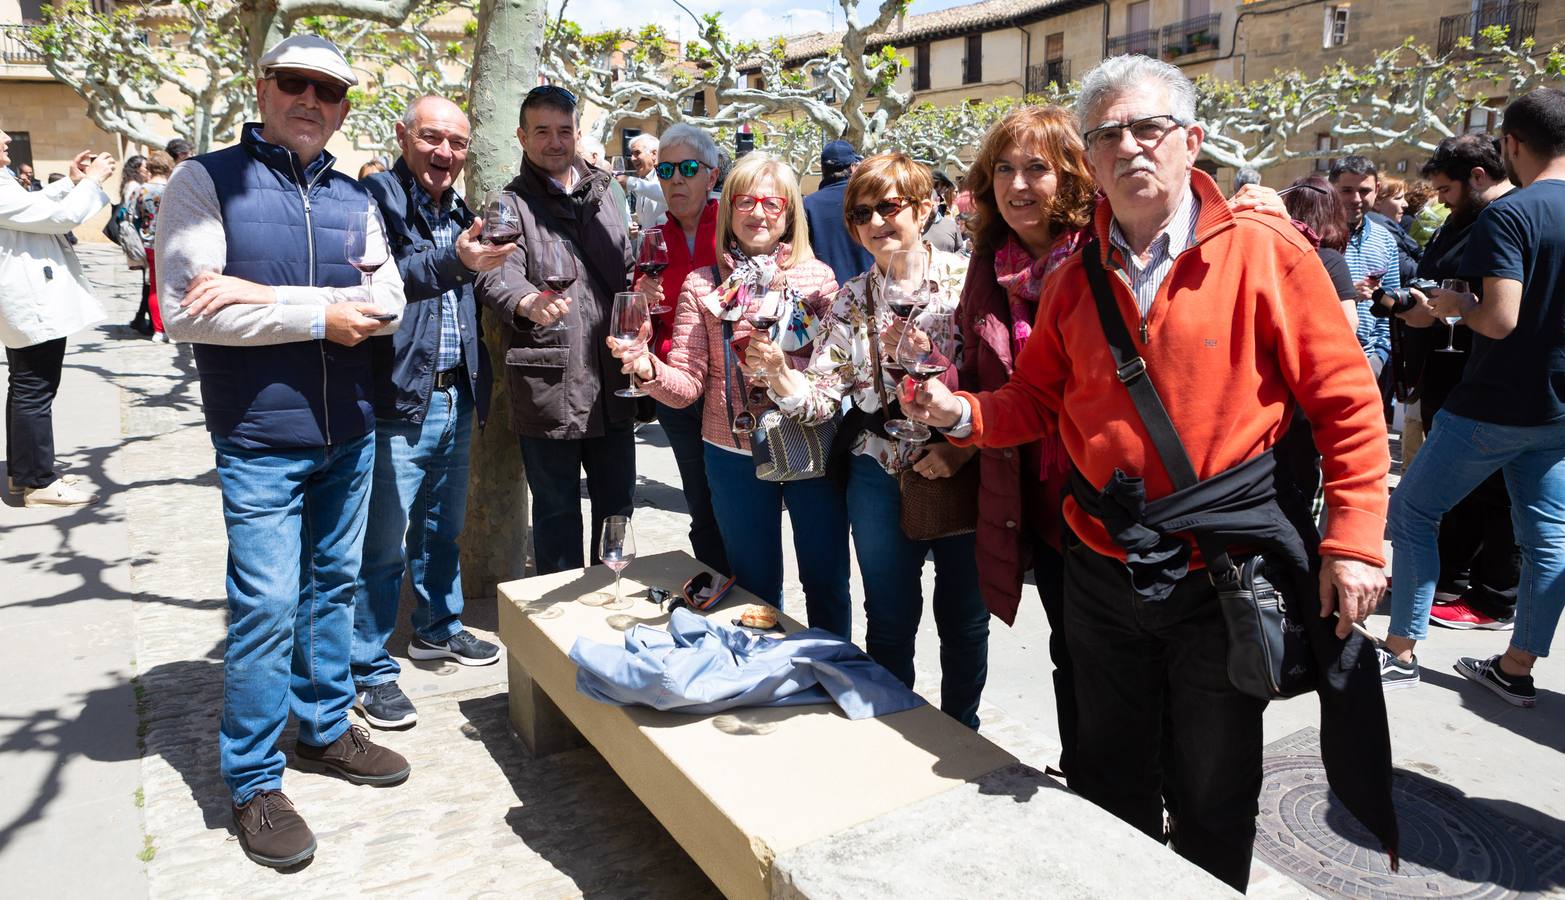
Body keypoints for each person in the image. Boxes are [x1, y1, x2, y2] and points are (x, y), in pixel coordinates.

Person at [900, 56, 1392, 889]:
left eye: (1148, 128)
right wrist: (962, 415)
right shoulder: (1072, 277)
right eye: (1107, 135)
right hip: (1098, 561)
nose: (1129, 147)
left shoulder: (1264, 251)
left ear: (1189, 141)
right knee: (1106, 766)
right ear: (1088, 163)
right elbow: (1035, 400)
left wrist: (1354, 540)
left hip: (1222, 571)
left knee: (1211, 781)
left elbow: (1346, 403)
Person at [154, 34, 411, 868]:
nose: (313, 100)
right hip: (260, 438)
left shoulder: (354, 193)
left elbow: (389, 304)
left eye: (330, 91)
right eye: (296, 83)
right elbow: (189, 310)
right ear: (262, 88)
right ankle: (255, 782)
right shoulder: (207, 180)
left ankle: (326, 727)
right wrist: (318, 314)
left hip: (349, 431)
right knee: (265, 608)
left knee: (331, 589)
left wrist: (266, 294)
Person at [764, 152, 985, 726]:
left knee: (964, 615)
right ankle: (899, 726)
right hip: (879, 473)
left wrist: (963, 449)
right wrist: (779, 377)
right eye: (862, 214)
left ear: (924, 206)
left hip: (965, 465)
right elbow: (821, 395)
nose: (877, 223)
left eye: (890, 207)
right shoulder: (852, 297)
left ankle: (964, 732)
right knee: (888, 615)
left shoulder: (970, 281)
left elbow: (1004, 384)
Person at [609, 153, 850, 634]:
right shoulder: (702, 285)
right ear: (729, 208)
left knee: (826, 578)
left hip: (808, 445)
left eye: (771, 202)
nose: (758, 213)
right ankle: (764, 679)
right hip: (730, 449)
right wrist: (646, 367)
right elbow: (687, 386)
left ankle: (833, 669)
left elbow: (833, 373)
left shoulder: (817, 279)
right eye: (745, 201)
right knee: (755, 587)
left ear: (789, 214)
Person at [1383, 88, 1565, 709]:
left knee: (1411, 512)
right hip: (1557, 410)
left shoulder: (1510, 214)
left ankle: (1401, 651)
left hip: (1492, 403)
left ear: (1512, 144)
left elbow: (1500, 320)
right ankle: (1516, 668)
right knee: (1547, 541)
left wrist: (1456, 306)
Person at [352, 96, 515, 729]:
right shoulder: (377, 203)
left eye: (456, 143)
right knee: (382, 544)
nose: (444, 153)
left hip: (457, 394)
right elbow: (383, 279)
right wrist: (458, 261)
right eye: (431, 138)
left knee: (441, 533)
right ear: (402, 136)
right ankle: (367, 669)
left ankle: (437, 628)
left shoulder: (462, 211)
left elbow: (475, 288)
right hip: (399, 399)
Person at [956, 109, 1094, 744]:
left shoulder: (1100, 258)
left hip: (1101, 491)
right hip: (1028, 493)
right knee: (1069, 648)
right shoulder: (988, 267)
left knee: (1122, 660)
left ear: (1071, 176)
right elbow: (971, 363)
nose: (1018, 185)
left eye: (1037, 168)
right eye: (1004, 170)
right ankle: (1087, 776)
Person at [476, 85, 637, 575]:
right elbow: (493, 271)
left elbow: (629, 265)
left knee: (617, 510)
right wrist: (527, 300)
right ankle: (558, 637)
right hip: (550, 384)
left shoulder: (609, 190)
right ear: (522, 136)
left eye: (563, 130)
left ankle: (610, 605)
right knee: (556, 516)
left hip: (612, 380)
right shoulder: (509, 203)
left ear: (577, 133)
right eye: (541, 131)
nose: (554, 141)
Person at [1381, 135, 1517, 646]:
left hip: (1485, 380)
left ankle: (1491, 597)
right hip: (1446, 374)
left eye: (1446, 189)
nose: (1438, 199)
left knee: (1491, 495)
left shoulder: (1507, 218)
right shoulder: (1463, 220)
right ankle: (1450, 578)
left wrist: (1453, 305)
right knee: (1458, 494)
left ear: (1478, 176)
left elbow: (1496, 309)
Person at [627, 124, 730, 575]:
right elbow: (638, 321)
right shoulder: (654, 238)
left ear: (711, 176)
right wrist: (641, 304)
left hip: (728, 389)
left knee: (735, 502)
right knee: (699, 501)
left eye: (689, 168)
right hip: (674, 387)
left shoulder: (734, 228)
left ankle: (753, 601)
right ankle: (713, 589)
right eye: (666, 169)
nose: (676, 179)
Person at [1, 134, 114, 506]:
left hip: (27, 298)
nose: (5, 140)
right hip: (29, 300)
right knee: (35, 388)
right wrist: (95, 181)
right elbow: (58, 217)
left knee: (26, 386)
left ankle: (24, 473)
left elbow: (29, 204)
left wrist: (71, 183)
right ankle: (39, 482)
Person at [1330, 155, 1401, 377]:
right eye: (1347, 190)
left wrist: (1379, 357)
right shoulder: (1315, 237)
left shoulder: (1385, 240)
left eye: (1364, 191)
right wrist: (1348, 295)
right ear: (1331, 189)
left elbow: (1392, 304)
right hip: (1323, 359)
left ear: (1377, 189)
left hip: (1368, 362)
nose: (1356, 199)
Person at [803, 139, 873, 284]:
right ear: (853, 168)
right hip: (870, 290)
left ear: (823, 170)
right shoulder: (868, 198)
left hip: (827, 293)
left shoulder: (807, 204)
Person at [134, 151, 174, 342]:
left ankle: (159, 330)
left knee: (155, 287)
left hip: (148, 242)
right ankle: (174, 329)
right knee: (175, 287)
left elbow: (132, 216)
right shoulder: (174, 188)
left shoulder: (140, 190)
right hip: (172, 242)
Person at [119, 154, 154, 335]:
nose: (147, 169)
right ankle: (143, 320)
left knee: (147, 282)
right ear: (136, 168)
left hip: (139, 238)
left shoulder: (130, 185)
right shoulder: (135, 187)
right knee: (148, 282)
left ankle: (140, 317)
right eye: (144, 167)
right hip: (142, 239)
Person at [622, 133, 667, 227]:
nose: (632, 158)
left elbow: (666, 194)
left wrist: (630, 182)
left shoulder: (666, 174)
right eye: (631, 154)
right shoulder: (643, 180)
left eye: (637, 153)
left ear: (654, 154)